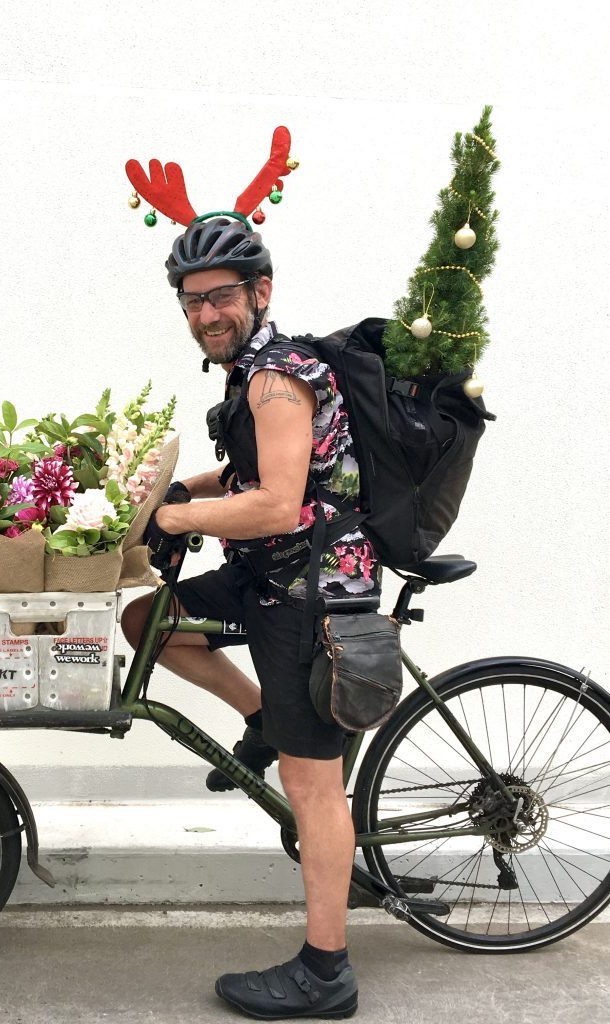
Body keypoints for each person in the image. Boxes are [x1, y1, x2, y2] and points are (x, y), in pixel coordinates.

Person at [122, 216, 379, 1021]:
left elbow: (274, 504)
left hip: (311, 592)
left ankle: (327, 972)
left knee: (313, 787)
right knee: (147, 620)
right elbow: (251, 472)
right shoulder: (249, 375)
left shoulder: (277, 380)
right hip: (263, 577)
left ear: (260, 293)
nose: (206, 314)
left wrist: (177, 523)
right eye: (192, 301)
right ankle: (261, 713)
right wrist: (185, 491)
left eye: (221, 297)